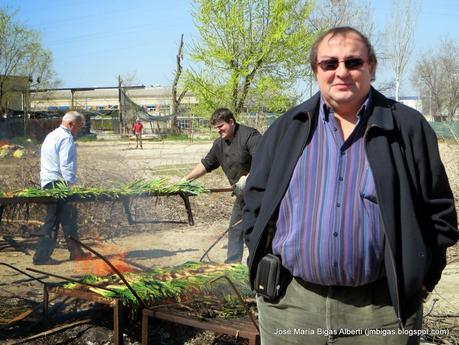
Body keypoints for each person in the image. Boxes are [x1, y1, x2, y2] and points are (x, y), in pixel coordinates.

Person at [242, 26, 458, 345]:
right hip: (291, 305)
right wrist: (259, 260)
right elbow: (255, 204)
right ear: (316, 70)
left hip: (382, 312)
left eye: (353, 62)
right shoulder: (287, 128)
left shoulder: (408, 128)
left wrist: (421, 279)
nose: (341, 72)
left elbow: (439, 213)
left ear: (371, 67)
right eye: (330, 63)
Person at [185, 108, 261, 263]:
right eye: (216, 128)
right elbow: (206, 164)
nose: (218, 130)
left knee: (257, 234)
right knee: (235, 231)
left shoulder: (250, 136)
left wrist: (248, 178)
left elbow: (263, 161)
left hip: (262, 195)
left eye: (221, 126)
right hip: (242, 196)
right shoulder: (219, 144)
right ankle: (232, 268)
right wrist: (185, 180)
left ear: (231, 122)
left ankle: (260, 270)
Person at [33, 111, 91, 265]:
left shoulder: (52, 135)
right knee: (52, 220)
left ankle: (76, 252)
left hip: (48, 181)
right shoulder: (66, 137)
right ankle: (41, 256)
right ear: (71, 124)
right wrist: (69, 184)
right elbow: (66, 164)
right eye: (79, 126)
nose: (79, 130)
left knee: (68, 217)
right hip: (58, 183)